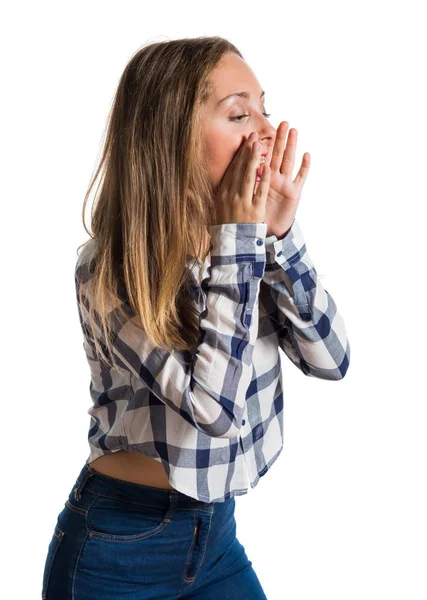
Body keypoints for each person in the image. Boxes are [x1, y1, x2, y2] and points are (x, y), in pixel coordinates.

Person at [41, 36, 350, 599]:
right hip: (118, 549)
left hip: (214, 537)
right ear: (171, 139)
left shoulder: (247, 245)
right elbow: (214, 409)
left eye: (264, 108)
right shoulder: (108, 272)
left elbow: (332, 360)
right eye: (238, 113)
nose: (266, 131)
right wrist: (238, 246)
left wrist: (281, 237)